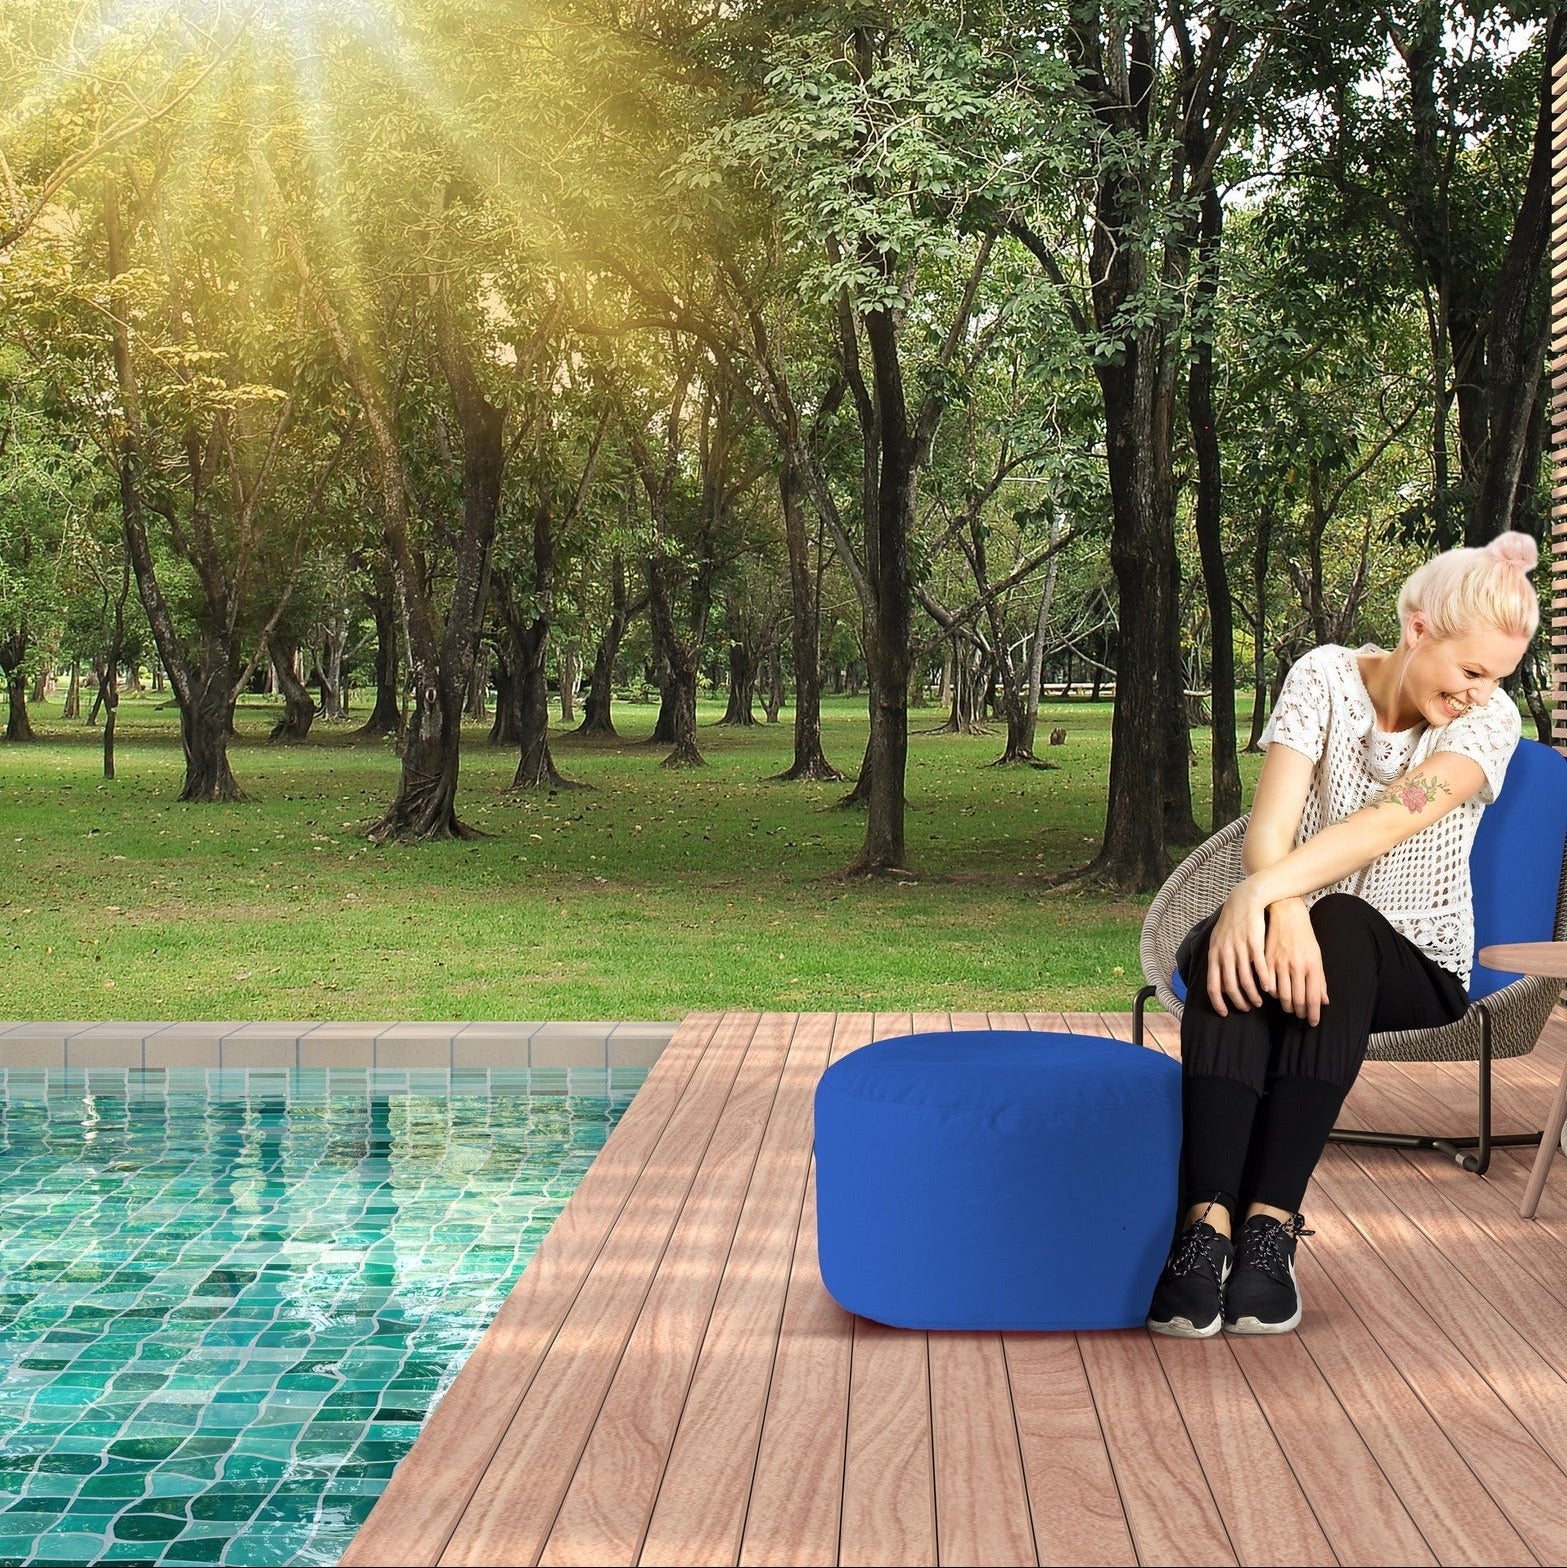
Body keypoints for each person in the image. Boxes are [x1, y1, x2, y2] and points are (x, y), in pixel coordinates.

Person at [1147, 531, 1541, 1338]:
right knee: (1252, 949)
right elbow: (1272, 826)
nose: (1479, 693)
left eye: (1495, 679)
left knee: (1338, 921)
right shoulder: (1322, 676)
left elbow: (1382, 825)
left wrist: (1266, 894)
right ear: (1417, 628)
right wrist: (1276, 904)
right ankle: (1205, 1229)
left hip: (1412, 959)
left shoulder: (1487, 724)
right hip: (1290, 926)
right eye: (1470, 671)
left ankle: (1268, 1229)